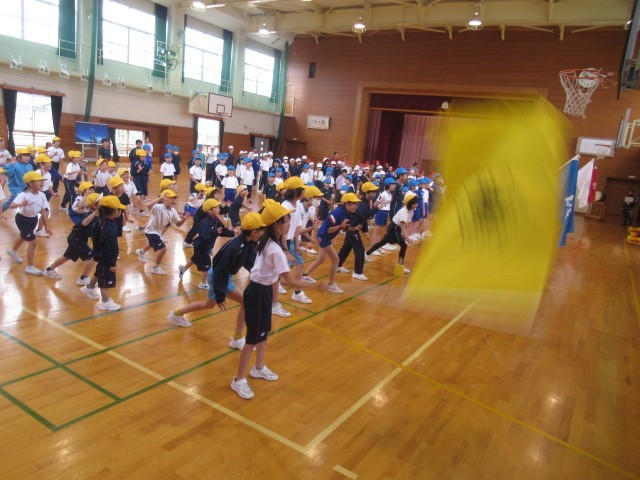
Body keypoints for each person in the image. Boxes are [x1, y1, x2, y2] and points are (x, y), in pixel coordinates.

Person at [230, 201, 307, 400]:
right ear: (275, 225)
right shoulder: (273, 249)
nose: (289, 224)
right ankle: (238, 380)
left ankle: (259, 368)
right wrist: (316, 286)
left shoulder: (268, 242)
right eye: (286, 221)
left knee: (263, 333)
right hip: (257, 292)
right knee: (252, 339)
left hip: (262, 291)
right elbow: (288, 281)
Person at [169, 212, 265, 349]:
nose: (263, 233)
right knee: (246, 302)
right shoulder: (236, 246)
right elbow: (220, 269)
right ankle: (237, 339)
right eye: (262, 230)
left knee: (208, 304)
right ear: (255, 232)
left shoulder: (248, 243)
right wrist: (220, 295)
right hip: (219, 276)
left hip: (221, 276)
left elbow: (249, 262)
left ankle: (177, 314)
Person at [301, 192, 361, 293]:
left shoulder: (347, 212)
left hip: (325, 236)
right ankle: (331, 284)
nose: (356, 206)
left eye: (356, 204)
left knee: (320, 259)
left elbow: (344, 227)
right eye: (354, 203)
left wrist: (354, 228)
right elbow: (329, 230)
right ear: (347, 203)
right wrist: (340, 226)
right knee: (336, 259)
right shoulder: (337, 213)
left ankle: (305, 275)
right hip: (324, 236)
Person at [43, 192, 101, 282]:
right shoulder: (90, 215)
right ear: (94, 206)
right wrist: (94, 214)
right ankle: (83, 278)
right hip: (76, 239)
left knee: (67, 256)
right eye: (100, 202)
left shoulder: (97, 216)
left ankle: (49, 270)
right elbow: (84, 223)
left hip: (77, 239)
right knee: (92, 257)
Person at [79, 195, 125, 310]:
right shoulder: (109, 227)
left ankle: (89, 287)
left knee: (100, 272)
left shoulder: (100, 223)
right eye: (119, 209)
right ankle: (105, 301)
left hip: (100, 254)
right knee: (105, 279)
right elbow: (111, 247)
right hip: (106, 258)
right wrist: (112, 263)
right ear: (115, 211)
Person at [178, 198, 234, 289]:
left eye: (218, 207)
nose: (219, 209)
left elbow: (223, 230)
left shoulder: (216, 220)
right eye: (216, 207)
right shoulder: (206, 222)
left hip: (206, 246)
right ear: (209, 210)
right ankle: (203, 283)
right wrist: (216, 232)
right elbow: (206, 236)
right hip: (201, 246)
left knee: (195, 259)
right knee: (207, 264)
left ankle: (182, 270)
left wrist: (233, 233)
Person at [5, 171, 51, 274]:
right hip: (22, 220)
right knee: (33, 242)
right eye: (39, 181)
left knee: (24, 236)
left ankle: (12, 251)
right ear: (30, 183)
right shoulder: (23, 195)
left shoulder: (42, 195)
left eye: (42, 180)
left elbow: (43, 211)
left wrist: (46, 226)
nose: (42, 183)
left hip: (33, 219)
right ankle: (29, 267)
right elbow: (11, 206)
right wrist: (21, 204)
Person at [136, 190, 189, 275]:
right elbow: (148, 205)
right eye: (171, 198)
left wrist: (184, 219)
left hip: (157, 232)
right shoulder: (158, 207)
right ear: (164, 200)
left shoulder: (173, 211)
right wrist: (160, 198)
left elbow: (178, 224)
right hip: (150, 231)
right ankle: (155, 268)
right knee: (163, 249)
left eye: (174, 199)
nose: (173, 200)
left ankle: (141, 252)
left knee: (152, 243)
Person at [366, 192, 420, 275]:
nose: (416, 205)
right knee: (404, 245)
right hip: (394, 229)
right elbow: (402, 226)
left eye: (416, 203)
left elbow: (406, 224)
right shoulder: (403, 212)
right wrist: (407, 237)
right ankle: (400, 265)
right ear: (409, 203)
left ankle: (367, 253)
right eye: (414, 203)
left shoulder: (411, 211)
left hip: (396, 228)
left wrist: (403, 234)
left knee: (383, 242)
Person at [337, 182, 378, 281]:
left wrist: (365, 231)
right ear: (367, 192)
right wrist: (375, 209)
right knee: (360, 250)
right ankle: (357, 272)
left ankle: (337, 265)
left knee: (346, 248)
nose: (375, 193)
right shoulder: (362, 204)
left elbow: (363, 218)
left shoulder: (366, 203)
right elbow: (364, 215)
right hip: (352, 230)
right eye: (373, 191)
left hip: (354, 229)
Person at [1, 147, 34, 212]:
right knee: (12, 200)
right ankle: (1, 211)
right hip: (16, 188)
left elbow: (32, 176)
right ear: (18, 157)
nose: (27, 157)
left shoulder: (30, 166)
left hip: (26, 188)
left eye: (28, 156)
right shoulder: (14, 165)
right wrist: (11, 164)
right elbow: (4, 171)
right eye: (24, 156)